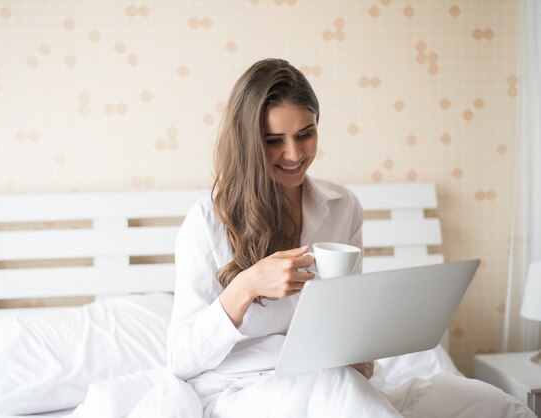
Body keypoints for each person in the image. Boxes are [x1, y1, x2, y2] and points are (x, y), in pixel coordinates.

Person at [166, 59, 535, 418]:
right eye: (274, 140)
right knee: (338, 390)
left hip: (335, 379)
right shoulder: (208, 222)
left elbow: (347, 318)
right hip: (241, 391)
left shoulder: (343, 207)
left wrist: (361, 354)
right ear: (248, 143)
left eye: (305, 134)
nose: (294, 154)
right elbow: (180, 360)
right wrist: (245, 286)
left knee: (489, 403)